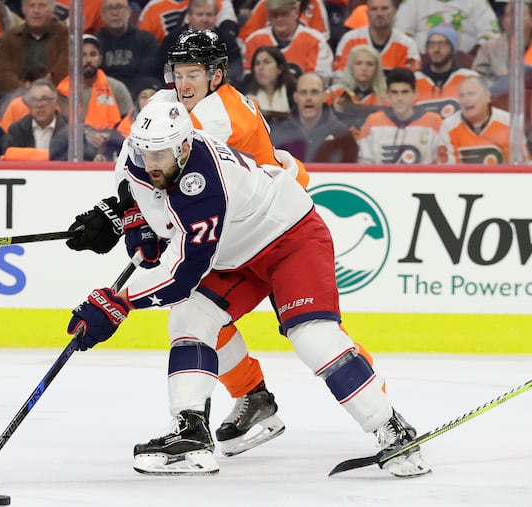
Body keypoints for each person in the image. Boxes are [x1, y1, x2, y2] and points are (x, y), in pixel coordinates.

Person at [67, 99, 431, 478]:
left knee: (312, 337)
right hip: (232, 252)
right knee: (190, 318)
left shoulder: (205, 184)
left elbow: (181, 277)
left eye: (160, 154)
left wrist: (119, 302)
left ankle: (391, 428)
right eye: (145, 153)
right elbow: (134, 195)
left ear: (184, 147)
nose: (151, 163)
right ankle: (190, 433)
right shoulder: (138, 155)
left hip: (290, 238)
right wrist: (138, 225)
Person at [66, 29, 310, 458]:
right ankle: (246, 400)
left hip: (267, 224)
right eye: (178, 72)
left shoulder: (218, 119)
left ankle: (381, 411)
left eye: (193, 73)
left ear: (216, 75)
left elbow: (174, 179)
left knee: (311, 327)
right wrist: (123, 208)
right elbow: (137, 157)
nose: (183, 83)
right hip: (230, 220)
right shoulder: (170, 105)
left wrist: (130, 218)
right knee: (200, 310)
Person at [54, 34, 133, 161]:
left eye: (93, 54)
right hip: (77, 147)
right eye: (83, 55)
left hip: (112, 147)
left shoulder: (117, 88)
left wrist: (110, 139)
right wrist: (85, 134)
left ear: (100, 59)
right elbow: (60, 128)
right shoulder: (63, 90)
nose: (88, 60)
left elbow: (130, 123)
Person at [358, 67, 448, 164]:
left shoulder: (434, 122)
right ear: (387, 95)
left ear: (415, 93)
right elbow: (364, 164)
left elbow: (444, 164)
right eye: (394, 92)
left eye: (405, 92)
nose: (399, 98)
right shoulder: (372, 122)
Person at [438, 75, 529, 164]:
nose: (465, 100)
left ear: (487, 96)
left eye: (471, 94)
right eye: (461, 96)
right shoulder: (447, 127)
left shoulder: (509, 122)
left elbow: (521, 164)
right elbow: (447, 169)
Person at [272, 72, 358, 162]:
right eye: (303, 92)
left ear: (324, 96)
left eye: (314, 92)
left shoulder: (342, 135)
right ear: (295, 97)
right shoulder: (279, 134)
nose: (308, 98)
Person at [242, 0, 333, 83]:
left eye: (284, 14)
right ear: (268, 16)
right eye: (274, 15)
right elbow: (249, 81)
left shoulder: (316, 41)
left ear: (296, 13)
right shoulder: (254, 41)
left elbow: (320, 81)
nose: (279, 19)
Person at [158, 0, 243, 87]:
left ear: (215, 16)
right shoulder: (173, 39)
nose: (204, 19)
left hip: (218, 89)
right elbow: (162, 70)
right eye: (199, 14)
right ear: (189, 16)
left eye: (209, 15)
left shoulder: (227, 40)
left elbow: (235, 68)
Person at [0, 0, 69, 94]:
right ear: (23, 10)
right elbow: (3, 74)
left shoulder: (65, 35)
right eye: (31, 5)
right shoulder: (8, 38)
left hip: (56, 92)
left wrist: (45, 87)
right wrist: (24, 89)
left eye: (42, 5)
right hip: (15, 94)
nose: (36, 11)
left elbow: (65, 67)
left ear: (52, 10)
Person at [333, 0, 420, 78]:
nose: (379, 14)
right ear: (367, 13)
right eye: (374, 9)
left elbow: (411, 80)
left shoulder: (407, 45)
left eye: (384, 9)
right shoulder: (350, 40)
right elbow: (339, 75)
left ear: (394, 11)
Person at [95, 0, 159, 97]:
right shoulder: (95, 43)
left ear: (129, 11)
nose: (115, 13)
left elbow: (148, 73)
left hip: (138, 94)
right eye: (109, 8)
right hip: (104, 94)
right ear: (102, 14)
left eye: (119, 7)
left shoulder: (147, 40)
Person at [414, 25, 479, 119]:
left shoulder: (469, 78)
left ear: (452, 49)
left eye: (442, 45)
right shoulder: (413, 79)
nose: (436, 49)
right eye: (432, 44)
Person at [394, 0, 499, 55]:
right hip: (422, 63)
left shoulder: (477, 1)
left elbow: (491, 35)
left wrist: (471, 58)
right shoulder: (413, 1)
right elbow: (400, 35)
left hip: (467, 65)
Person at [472, 0, 532, 87]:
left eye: (519, 15)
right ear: (502, 21)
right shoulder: (489, 48)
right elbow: (475, 80)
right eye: (508, 16)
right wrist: (497, 82)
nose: (514, 20)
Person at [328, 44, 386, 130]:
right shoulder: (334, 93)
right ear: (351, 67)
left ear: (377, 69)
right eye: (358, 63)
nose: (364, 68)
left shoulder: (386, 97)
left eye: (370, 64)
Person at [4, 78, 66, 158]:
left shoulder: (70, 130)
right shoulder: (17, 130)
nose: (39, 105)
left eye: (45, 99)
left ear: (56, 102)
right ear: (28, 105)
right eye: (33, 100)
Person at [241, 45, 296, 121]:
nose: (261, 67)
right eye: (257, 63)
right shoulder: (244, 94)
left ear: (279, 69)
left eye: (266, 62)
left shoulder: (292, 91)